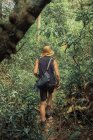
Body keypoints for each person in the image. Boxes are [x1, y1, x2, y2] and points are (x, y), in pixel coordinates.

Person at [33, 46, 60, 126]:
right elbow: (57, 75)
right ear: (50, 52)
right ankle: (48, 110)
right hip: (51, 82)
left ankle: (43, 120)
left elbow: (34, 72)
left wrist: (41, 78)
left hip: (43, 83)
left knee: (42, 102)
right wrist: (58, 83)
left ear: (43, 52)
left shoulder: (38, 59)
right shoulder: (53, 60)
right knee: (50, 94)